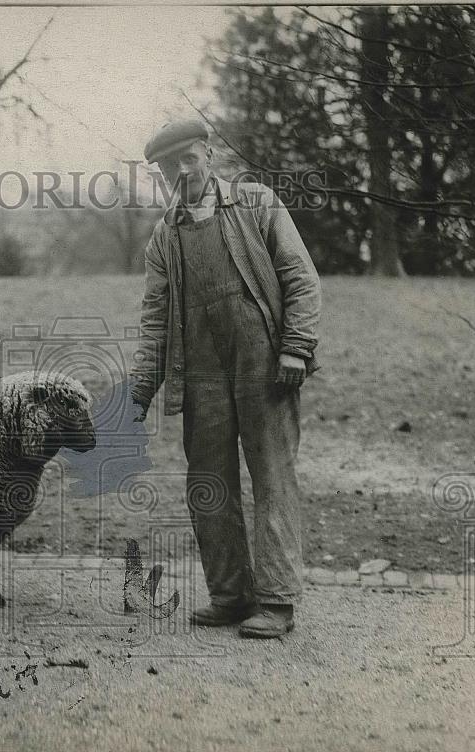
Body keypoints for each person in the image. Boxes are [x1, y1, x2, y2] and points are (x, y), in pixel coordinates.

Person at [129, 118, 322, 638]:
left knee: (272, 476)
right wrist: (141, 387)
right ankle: (231, 595)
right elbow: (154, 314)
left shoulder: (256, 203)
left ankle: (277, 602)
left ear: (208, 154)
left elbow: (300, 278)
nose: (181, 171)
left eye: (188, 158)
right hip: (200, 369)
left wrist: (296, 349)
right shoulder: (165, 234)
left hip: (264, 363)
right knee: (208, 481)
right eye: (169, 166)